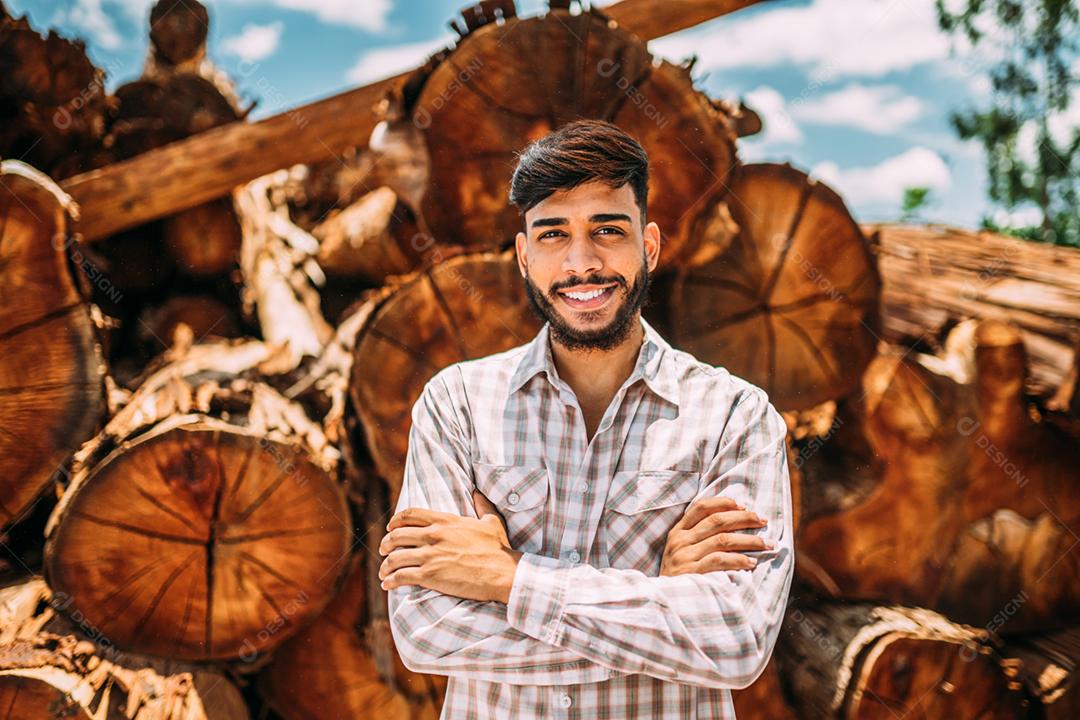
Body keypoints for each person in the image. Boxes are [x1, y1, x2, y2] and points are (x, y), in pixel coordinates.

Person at [379, 119, 794, 719]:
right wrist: (661, 600)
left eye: (607, 229)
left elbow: (736, 639)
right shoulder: (457, 405)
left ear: (649, 246)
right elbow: (427, 631)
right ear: (524, 257)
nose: (582, 261)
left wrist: (508, 579)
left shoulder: (735, 415)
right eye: (553, 233)